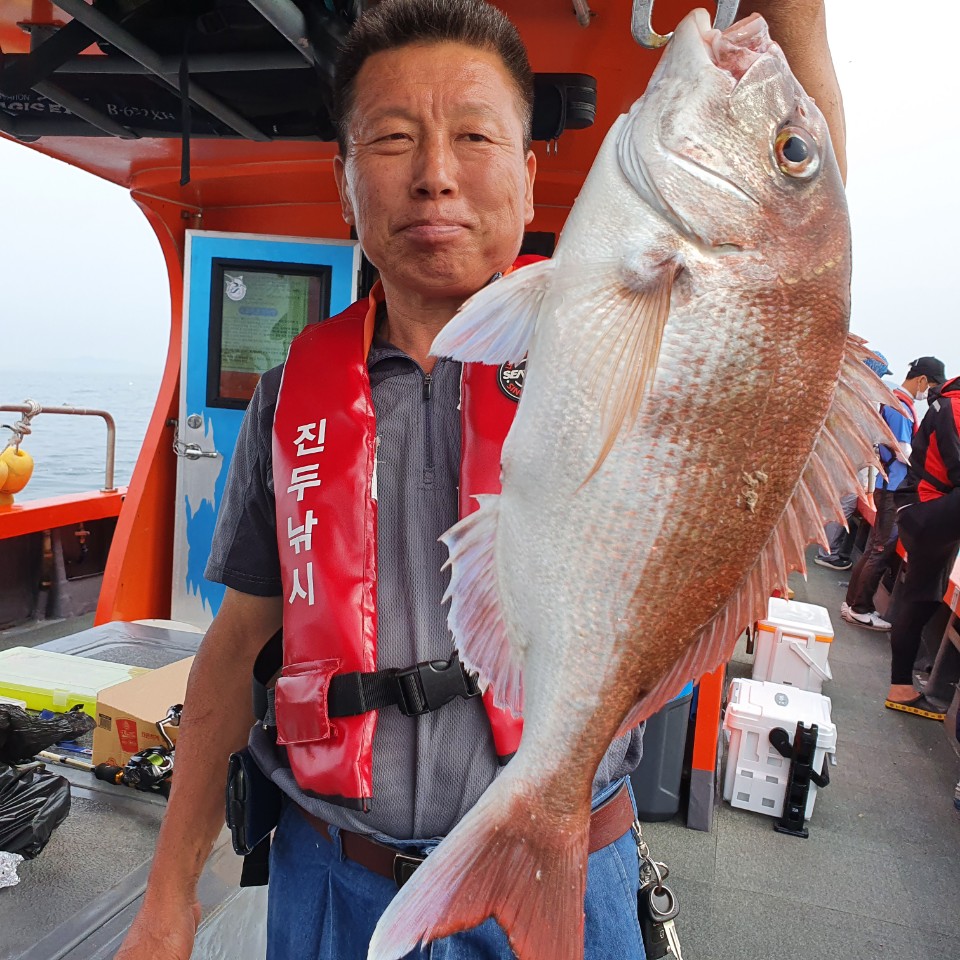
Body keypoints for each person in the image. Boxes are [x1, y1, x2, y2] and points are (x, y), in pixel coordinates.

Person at [115, 2, 848, 958]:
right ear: (344, 183)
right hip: (332, 883)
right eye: (390, 139)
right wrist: (168, 897)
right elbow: (235, 647)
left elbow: (794, 286)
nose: (435, 175)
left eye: (473, 135)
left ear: (531, 170)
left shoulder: (607, 321)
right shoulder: (291, 390)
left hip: (569, 863)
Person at [840, 357, 941, 630]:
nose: (927, 392)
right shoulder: (899, 407)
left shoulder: (895, 401)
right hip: (895, 487)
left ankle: (851, 603)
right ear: (921, 380)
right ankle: (860, 608)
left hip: (888, 485)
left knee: (874, 547)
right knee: (881, 550)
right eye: (930, 385)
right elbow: (904, 452)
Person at [885, 361, 959, 719]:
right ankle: (899, 685)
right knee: (920, 597)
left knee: (925, 600)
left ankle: (900, 686)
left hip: (931, 513)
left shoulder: (945, 403)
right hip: (922, 509)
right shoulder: (956, 406)